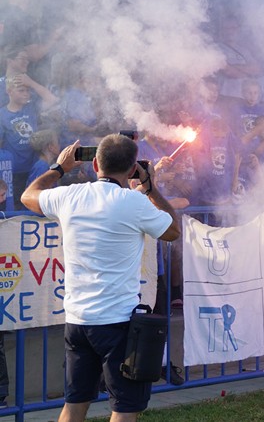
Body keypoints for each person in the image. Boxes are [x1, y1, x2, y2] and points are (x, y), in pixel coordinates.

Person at [21, 134, 180, 421]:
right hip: (117, 321)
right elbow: (173, 231)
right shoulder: (134, 202)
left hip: (78, 320)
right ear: (132, 169)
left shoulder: (69, 195)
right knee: (124, 409)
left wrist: (59, 169)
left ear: (95, 164)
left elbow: (28, 195)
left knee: (74, 404)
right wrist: (151, 188)